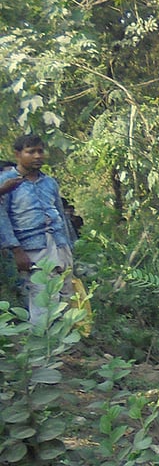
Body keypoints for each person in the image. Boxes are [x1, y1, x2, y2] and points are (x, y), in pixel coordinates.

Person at [0, 135, 75, 325]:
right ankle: (40, 346)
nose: (37, 156)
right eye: (31, 151)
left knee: (65, 297)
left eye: (40, 151)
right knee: (42, 297)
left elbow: (60, 215)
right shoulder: (7, 182)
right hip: (32, 247)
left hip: (58, 244)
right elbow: (3, 218)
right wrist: (16, 250)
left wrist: (68, 247)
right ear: (18, 154)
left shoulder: (50, 183)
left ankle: (60, 349)